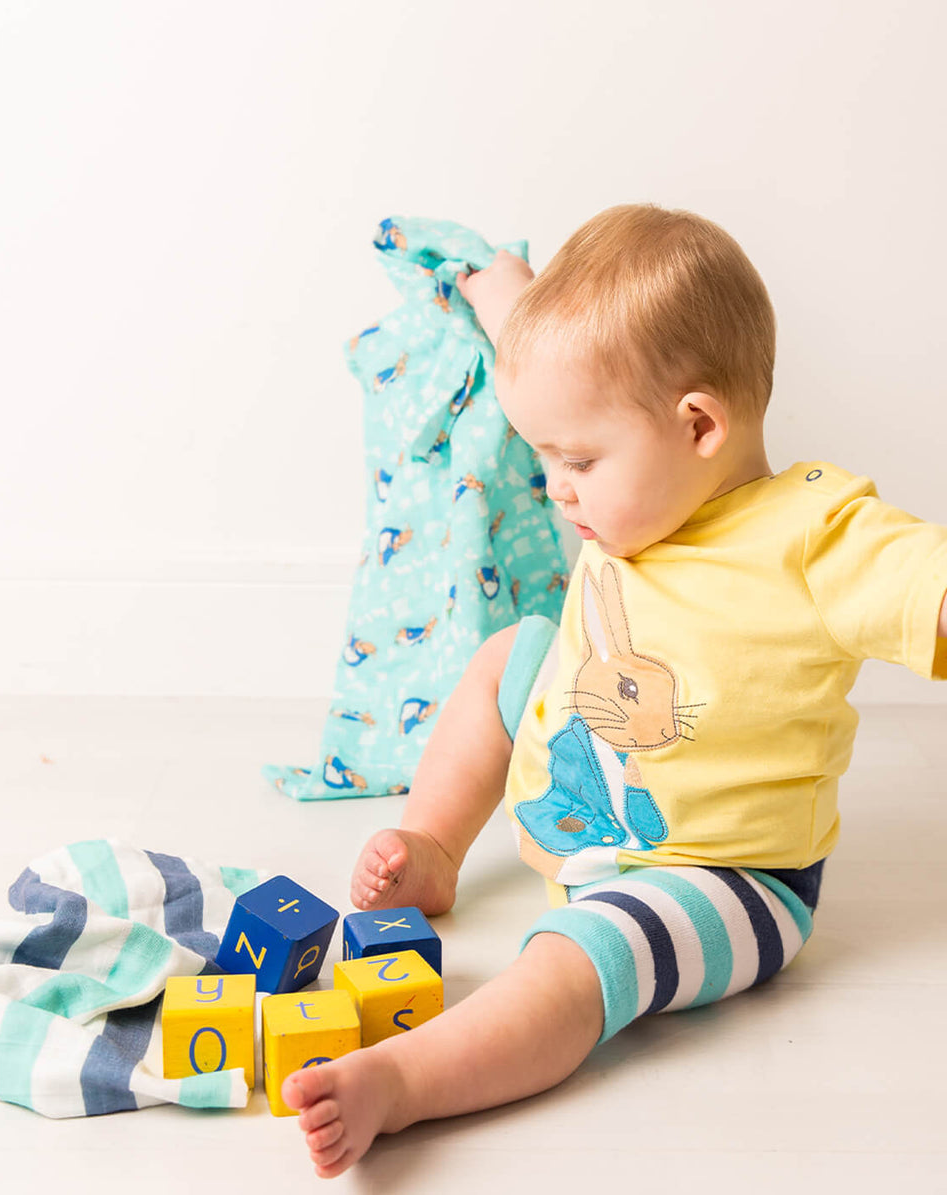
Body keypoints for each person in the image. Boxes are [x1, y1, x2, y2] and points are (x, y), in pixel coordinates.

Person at [281, 204, 947, 1177]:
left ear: (700, 426)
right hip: (588, 783)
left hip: (720, 878)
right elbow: (553, 358)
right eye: (549, 458)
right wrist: (495, 287)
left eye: (579, 461)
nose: (555, 487)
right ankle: (435, 844)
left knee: (575, 962)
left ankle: (407, 1081)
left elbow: (924, 590)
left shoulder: (815, 535)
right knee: (511, 653)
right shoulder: (631, 482)